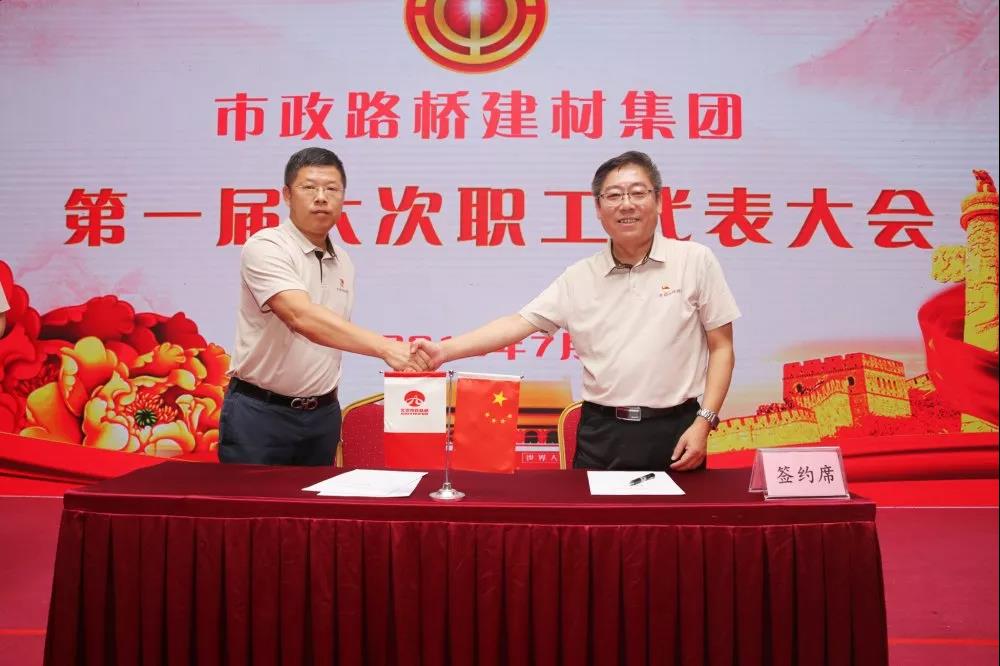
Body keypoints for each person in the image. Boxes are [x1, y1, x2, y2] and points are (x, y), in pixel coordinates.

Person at [414, 151, 740, 471]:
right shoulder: (579, 277)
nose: (626, 204)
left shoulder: (695, 260)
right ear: (598, 208)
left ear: (659, 201)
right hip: (602, 433)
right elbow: (517, 323)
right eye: (613, 195)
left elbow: (722, 347)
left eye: (638, 193)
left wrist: (704, 421)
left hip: (678, 430)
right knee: (590, 510)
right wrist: (443, 351)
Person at [220, 147, 425, 466]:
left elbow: (332, 331)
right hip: (260, 415)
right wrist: (386, 348)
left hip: (322, 416)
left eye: (332, 189)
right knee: (252, 499)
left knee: (316, 501)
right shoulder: (266, 246)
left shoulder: (343, 260)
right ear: (287, 195)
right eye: (309, 187)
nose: (321, 198)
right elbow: (300, 316)